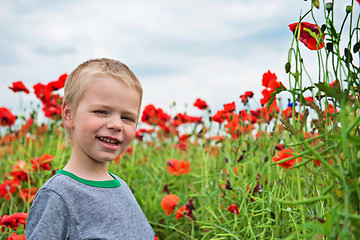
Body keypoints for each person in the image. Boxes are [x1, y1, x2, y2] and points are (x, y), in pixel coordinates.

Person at [26, 58, 155, 239]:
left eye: (127, 118)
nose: (117, 125)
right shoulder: (58, 195)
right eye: (102, 112)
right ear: (69, 114)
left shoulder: (121, 188)